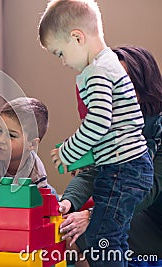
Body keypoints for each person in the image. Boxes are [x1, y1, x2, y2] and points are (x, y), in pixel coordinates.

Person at [39, 1, 154, 266]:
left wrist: (68, 151)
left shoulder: (97, 72)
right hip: (131, 166)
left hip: (122, 170)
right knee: (112, 238)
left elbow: (99, 121)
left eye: (60, 53)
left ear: (77, 37)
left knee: (103, 239)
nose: (63, 62)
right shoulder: (111, 63)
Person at [58, 46, 162, 265]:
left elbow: (150, 190)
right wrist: (67, 203)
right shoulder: (111, 125)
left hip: (155, 222)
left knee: (90, 238)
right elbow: (91, 172)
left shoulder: (158, 127)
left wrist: (92, 216)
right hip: (127, 211)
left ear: (143, 86)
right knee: (67, 234)